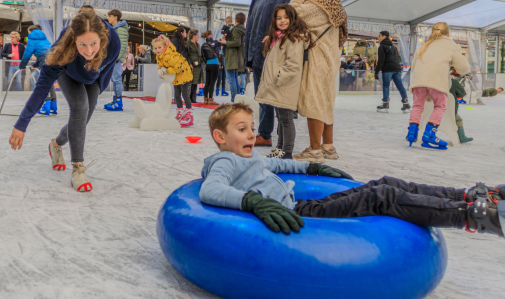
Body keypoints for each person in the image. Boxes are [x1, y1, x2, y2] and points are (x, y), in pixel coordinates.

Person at [200, 103, 505, 238]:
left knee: (384, 183)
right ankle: (473, 216)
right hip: (300, 215)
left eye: (252, 128)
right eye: (242, 129)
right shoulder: (225, 162)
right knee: (382, 195)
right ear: (220, 137)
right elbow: (210, 190)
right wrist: (252, 201)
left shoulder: (252, 158)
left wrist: (315, 166)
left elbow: (280, 164)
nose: (252, 134)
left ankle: (467, 195)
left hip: (302, 206)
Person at [8, 12, 121, 192]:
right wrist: (22, 124)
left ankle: (56, 145)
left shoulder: (113, 42)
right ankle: (78, 168)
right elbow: (42, 88)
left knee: (83, 120)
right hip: (68, 73)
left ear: (102, 38)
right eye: (82, 44)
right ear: (74, 39)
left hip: (94, 76)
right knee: (79, 108)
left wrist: (98, 88)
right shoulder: (62, 49)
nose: (89, 50)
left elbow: (107, 70)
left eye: (93, 43)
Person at [290, 0, 348, 163]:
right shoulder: (335, 6)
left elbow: (289, 14)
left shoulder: (316, 7)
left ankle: (315, 150)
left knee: (313, 101)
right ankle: (328, 146)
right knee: (326, 102)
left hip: (317, 59)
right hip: (330, 60)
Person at [255, 4, 312, 160]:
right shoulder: (279, 37)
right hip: (278, 86)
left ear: (292, 18)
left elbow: (293, 64)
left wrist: (278, 78)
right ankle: (280, 148)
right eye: (279, 18)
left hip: (285, 86)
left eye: (286, 17)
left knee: (286, 119)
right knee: (280, 118)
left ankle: (286, 152)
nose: (283, 21)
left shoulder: (294, 37)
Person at [406, 22, 470, 150]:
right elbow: (464, 68)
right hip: (436, 81)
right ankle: (429, 134)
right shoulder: (451, 46)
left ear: (432, 32)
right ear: (448, 33)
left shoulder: (424, 45)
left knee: (418, 106)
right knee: (440, 106)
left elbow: (413, 67)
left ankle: (412, 132)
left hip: (419, 80)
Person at [246, 0, 290, 148]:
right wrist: (249, 56)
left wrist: (279, 38)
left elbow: (290, 21)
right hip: (257, 53)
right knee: (262, 97)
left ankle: (283, 139)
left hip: (275, 53)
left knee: (279, 99)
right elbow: (250, 28)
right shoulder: (256, 1)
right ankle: (264, 134)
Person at [153, 35, 194, 127]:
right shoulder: (159, 57)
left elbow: (177, 67)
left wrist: (166, 70)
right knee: (176, 95)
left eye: (159, 47)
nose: (157, 50)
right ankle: (180, 112)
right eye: (155, 48)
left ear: (165, 47)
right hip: (175, 77)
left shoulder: (171, 55)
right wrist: (159, 70)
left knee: (184, 94)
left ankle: (189, 114)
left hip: (183, 74)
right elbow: (161, 66)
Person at [19, 25, 57, 116]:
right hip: (52, 60)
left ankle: (46, 107)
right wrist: (35, 65)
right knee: (50, 83)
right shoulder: (44, 38)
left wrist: (22, 65)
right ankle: (53, 106)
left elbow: (27, 54)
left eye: (29, 32)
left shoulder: (32, 39)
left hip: (45, 63)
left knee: (44, 83)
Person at [375, 31, 411, 114]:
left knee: (386, 86)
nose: (378, 37)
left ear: (384, 37)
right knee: (400, 86)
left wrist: (377, 71)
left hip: (388, 69)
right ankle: (406, 104)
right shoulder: (393, 46)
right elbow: (398, 58)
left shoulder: (382, 46)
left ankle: (385, 104)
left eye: (379, 36)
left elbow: (381, 60)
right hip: (397, 69)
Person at [103, 9, 128, 111]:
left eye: (110, 16)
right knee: (114, 80)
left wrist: (115, 58)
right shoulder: (114, 29)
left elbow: (121, 46)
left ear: (115, 17)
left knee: (117, 80)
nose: (108, 18)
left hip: (115, 59)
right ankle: (115, 100)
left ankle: (118, 102)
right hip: (113, 58)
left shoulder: (120, 30)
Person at [219, 13, 246, 103]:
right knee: (234, 78)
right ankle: (237, 100)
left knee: (231, 79)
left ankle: (234, 100)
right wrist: (226, 39)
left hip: (232, 57)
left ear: (236, 20)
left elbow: (237, 42)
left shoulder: (236, 29)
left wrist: (225, 42)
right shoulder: (242, 28)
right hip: (236, 57)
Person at [449, 67, 473, 143]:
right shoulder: (454, 82)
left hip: (434, 110)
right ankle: (462, 137)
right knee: (458, 119)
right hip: (450, 111)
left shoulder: (436, 83)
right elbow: (461, 94)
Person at [201, 30, 221, 105]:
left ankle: (205, 99)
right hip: (215, 64)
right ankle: (210, 99)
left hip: (208, 65)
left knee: (207, 82)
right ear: (210, 35)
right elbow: (219, 51)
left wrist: (207, 62)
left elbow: (203, 56)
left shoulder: (203, 45)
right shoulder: (215, 42)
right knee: (212, 83)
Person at [187, 29, 204, 104]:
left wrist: (201, 61)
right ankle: (188, 98)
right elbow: (186, 55)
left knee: (195, 82)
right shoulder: (188, 43)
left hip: (197, 66)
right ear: (193, 36)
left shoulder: (198, 44)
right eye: (197, 35)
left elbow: (199, 54)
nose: (198, 36)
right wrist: (189, 63)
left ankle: (193, 98)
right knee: (190, 82)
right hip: (191, 66)